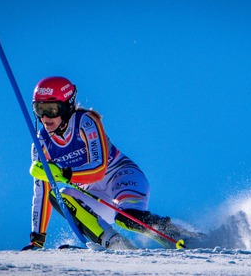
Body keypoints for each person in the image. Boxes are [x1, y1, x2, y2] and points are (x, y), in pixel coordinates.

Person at [21, 76, 194, 250]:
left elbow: (98, 168)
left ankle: (181, 236)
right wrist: (37, 239)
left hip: (121, 176)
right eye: (39, 109)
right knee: (61, 196)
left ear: (67, 106)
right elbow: (41, 191)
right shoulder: (41, 144)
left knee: (126, 217)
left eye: (51, 109)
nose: (45, 117)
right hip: (94, 194)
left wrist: (65, 174)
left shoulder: (85, 121)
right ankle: (113, 243)